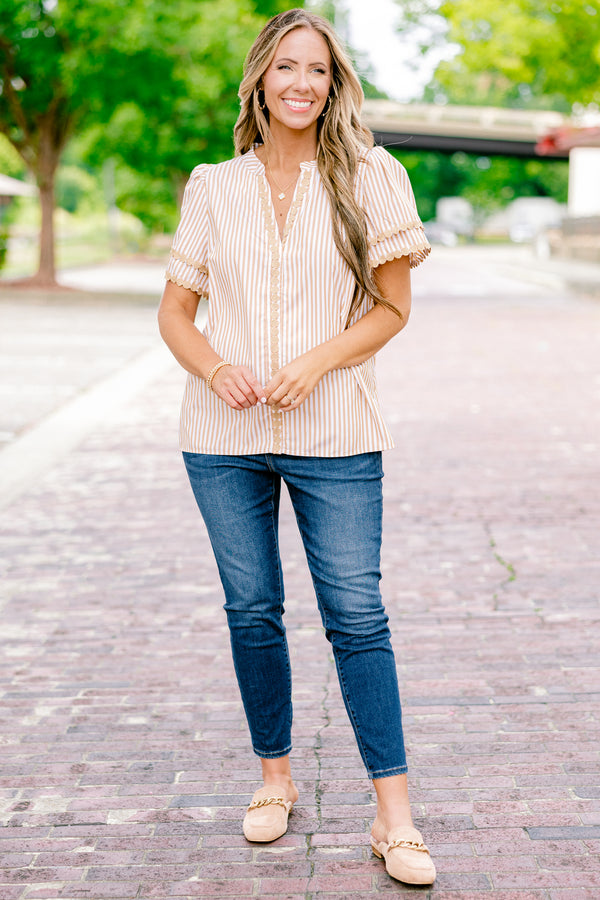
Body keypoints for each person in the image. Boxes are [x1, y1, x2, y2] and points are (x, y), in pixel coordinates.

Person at [158, 7, 435, 886]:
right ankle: (273, 780)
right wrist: (215, 367)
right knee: (252, 611)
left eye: (317, 70)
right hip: (224, 436)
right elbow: (175, 311)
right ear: (259, 79)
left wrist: (315, 362)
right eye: (286, 68)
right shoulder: (214, 184)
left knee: (356, 615)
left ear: (335, 82)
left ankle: (395, 819)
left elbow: (392, 307)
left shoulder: (373, 177)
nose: (301, 84)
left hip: (337, 432)